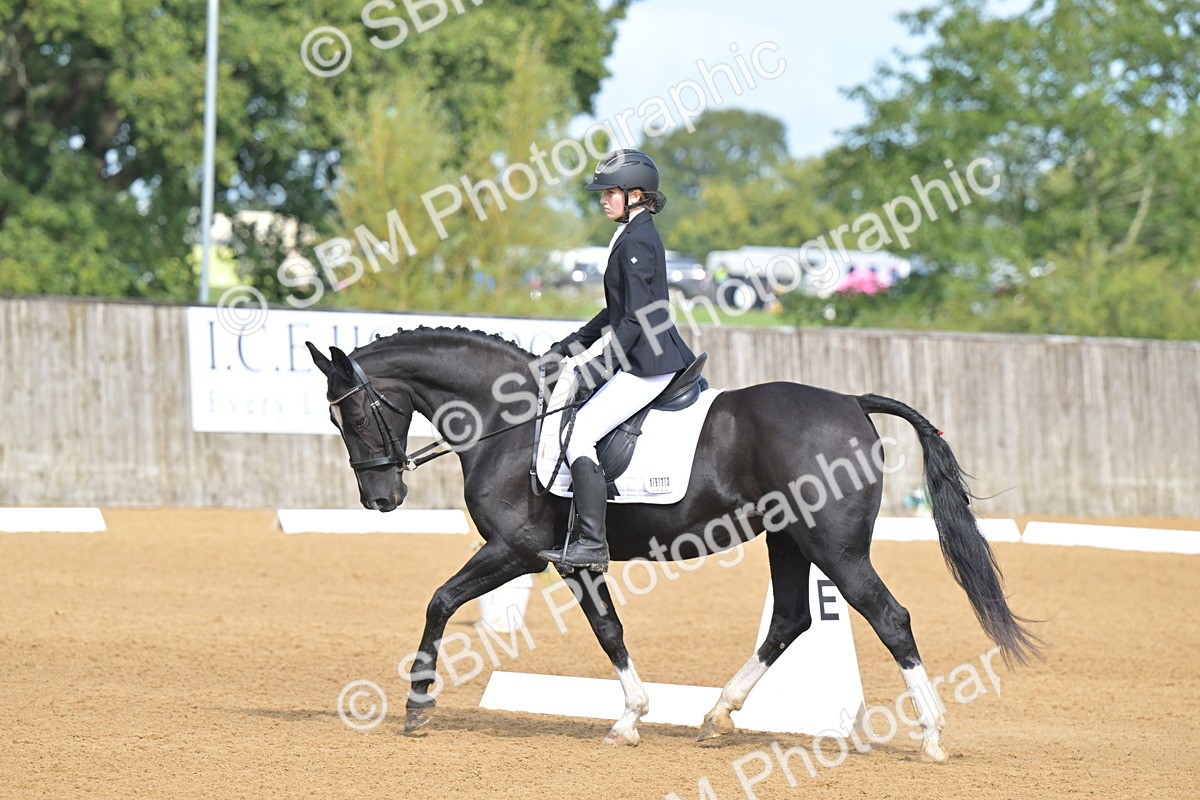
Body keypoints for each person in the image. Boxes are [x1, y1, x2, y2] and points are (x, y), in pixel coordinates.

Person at [537, 149, 696, 572]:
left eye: (610, 192)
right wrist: (567, 348)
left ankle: (592, 542)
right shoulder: (631, 232)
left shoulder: (638, 239)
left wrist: (596, 367)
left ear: (636, 194)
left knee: (580, 433)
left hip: (649, 363)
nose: (603, 199)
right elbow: (614, 311)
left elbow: (636, 319)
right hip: (640, 354)